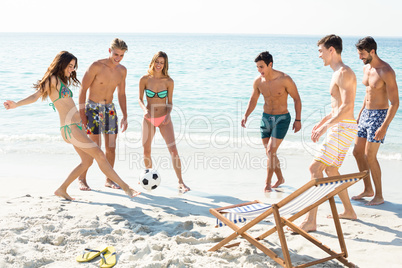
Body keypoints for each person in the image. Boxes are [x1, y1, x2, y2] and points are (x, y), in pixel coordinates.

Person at [3, 51, 140, 201]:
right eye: (70, 66)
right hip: (70, 128)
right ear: (61, 64)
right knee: (100, 154)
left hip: (77, 128)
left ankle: (62, 189)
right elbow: (36, 96)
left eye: (74, 67)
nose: (72, 69)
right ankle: (127, 188)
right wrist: (16, 104)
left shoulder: (62, 81)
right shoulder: (53, 79)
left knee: (87, 161)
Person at [300, 35, 358, 232]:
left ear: (331, 50)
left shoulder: (344, 73)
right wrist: (323, 122)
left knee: (314, 169)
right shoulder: (337, 73)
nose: (319, 55)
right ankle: (349, 211)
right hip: (340, 126)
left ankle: (310, 221)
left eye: (321, 51)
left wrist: (327, 127)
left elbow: (348, 107)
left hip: (342, 128)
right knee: (331, 170)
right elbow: (338, 107)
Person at [241, 51, 302, 192]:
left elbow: (297, 99)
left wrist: (298, 119)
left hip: (282, 119)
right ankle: (280, 178)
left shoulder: (285, 79)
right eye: (257, 67)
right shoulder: (258, 81)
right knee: (270, 153)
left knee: (270, 150)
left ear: (270, 64)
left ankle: (267, 183)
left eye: (261, 66)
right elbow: (253, 99)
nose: (259, 70)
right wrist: (246, 115)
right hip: (266, 118)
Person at [352, 36, 399, 206]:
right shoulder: (366, 69)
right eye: (359, 54)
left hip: (379, 116)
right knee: (357, 152)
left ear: (372, 51)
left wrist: (384, 126)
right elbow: (368, 93)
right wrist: (360, 114)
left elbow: (395, 102)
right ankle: (367, 189)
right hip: (365, 115)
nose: (360, 58)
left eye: (362, 54)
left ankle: (379, 195)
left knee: (369, 156)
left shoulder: (386, 71)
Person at [78, 38, 129, 191]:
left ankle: (109, 180)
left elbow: (121, 94)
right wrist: (82, 114)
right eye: (116, 54)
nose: (118, 58)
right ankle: (82, 178)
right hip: (92, 108)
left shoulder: (122, 71)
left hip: (110, 109)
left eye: (121, 55)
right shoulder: (96, 66)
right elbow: (82, 90)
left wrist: (125, 115)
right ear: (109, 51)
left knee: (111, 148)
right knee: (94, 148)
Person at [138, 51, 190, 192]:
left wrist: (168, 114)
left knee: (173, 150)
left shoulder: (169, 81)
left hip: (164, 119)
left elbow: (170, 102)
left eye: (162, 63)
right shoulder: (144, 79)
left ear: (165, 65)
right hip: (148, 118)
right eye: (157, 61)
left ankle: (180, 182)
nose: (159, 65)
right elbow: (140, 99)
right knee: (146, 151)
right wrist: (144, 110)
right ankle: (147, 178)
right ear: (153, 61)